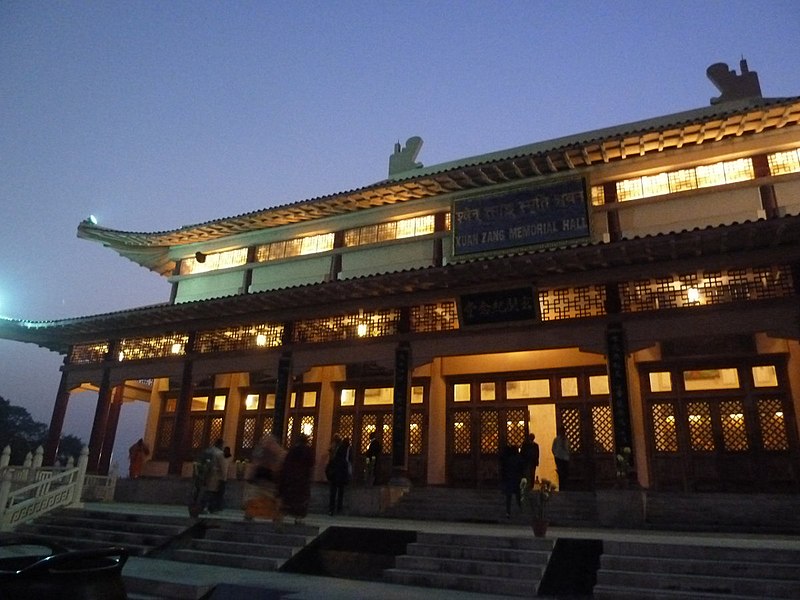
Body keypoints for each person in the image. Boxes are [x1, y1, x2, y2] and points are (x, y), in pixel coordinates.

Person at [244, 434, 287, 521]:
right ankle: (249, 517)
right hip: (261, 479)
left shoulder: (279, 453)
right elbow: (255, 464)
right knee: (254, 500)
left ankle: (277, 519)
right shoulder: (261, 451)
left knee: (273, 502)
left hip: (270, 480)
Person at [278, 433, 315, 524]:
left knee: (289, 498)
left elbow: (286, 463)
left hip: (291, 477)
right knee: (301, 499)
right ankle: (298, 518)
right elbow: (311, 465)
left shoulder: (292, 451)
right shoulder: (308, 451)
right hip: (302, 478)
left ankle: (281, 517)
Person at [327, 436, 352, 515]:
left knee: (333, 493)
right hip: (340, 477)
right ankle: (339, 508)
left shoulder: (334, 459)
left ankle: (332, 509)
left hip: (334, 476)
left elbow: (328, 468)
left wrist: (329, 475)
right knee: (340, 492)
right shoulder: (344, 461)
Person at [203, 438, 228, 513]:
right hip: (217, 476)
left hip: (207, 475)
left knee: (207, 492)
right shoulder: (220, 454)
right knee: (215, 493)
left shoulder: (208, 451)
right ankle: (211, 508)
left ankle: (204, 506)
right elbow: (223, 466)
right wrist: (224, 477)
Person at [499, 444, 524, 518]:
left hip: (509, 479)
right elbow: (522, 468)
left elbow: (503, 468)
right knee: (518, 495)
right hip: (516, 479)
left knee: (509, 497)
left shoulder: (507, 458)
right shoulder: (519, 458)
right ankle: (520, 509)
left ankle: (508, 511)